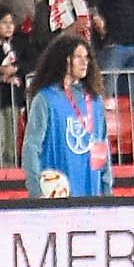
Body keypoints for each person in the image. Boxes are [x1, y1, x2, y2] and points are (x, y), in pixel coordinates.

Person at [22, 33, 112, 202]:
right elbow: (31, 147)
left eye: (87, 57)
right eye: (78, 57)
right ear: (64, 60)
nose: (85, 62)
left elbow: (102, 144)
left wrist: (107, 190)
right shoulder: (46, 99)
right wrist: (36, 190)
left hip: (91, 192)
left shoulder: (95, 100)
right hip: (56, 195)